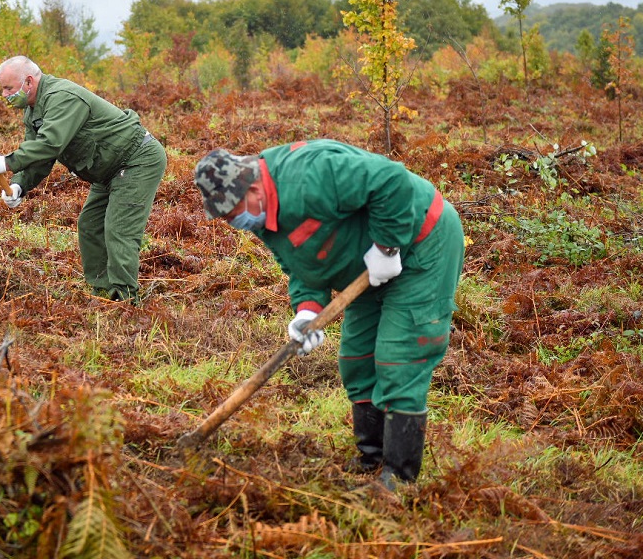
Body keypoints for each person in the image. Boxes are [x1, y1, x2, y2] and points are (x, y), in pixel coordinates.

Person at [193, 139, 464, 490]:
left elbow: (391, 180)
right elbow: (301, 265)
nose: (233, 222)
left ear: (254, 189)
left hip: (422, 242)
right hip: (368, 267)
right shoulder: (263, 215)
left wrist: (386, 246)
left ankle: (399, 479)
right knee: (357, 359)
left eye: (232, 213)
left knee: (398, 357)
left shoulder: (313, 171)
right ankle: (372, 458)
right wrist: (306, 311)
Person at [0, 56, 167, 303]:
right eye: (2, 89)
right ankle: (102, 291)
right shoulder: (33, 110)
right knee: (90, 225)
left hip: (135, 160)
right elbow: (40, 158)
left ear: (28, 82)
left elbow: (50, 144)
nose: (4, 95)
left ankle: (125, 300)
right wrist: (19, 185)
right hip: (107, 169)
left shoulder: (62, 97)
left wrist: (7, 162)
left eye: (8, 88)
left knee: (119, 229)